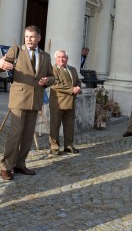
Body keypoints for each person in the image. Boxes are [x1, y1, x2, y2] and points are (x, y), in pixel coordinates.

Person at [0, 25, 54, 181]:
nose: (29, 39)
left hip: (35, 99)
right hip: (19, 98)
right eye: (27, 36)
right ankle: (6, 166)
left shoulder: (45, 56)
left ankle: (20, 164)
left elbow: (52, 76)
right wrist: (1, 65)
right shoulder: (16, 50)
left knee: (28, 134)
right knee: (15, 133)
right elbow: (3, 64)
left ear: (39, 38)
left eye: (32, 36)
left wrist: (47, 81)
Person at [49, 50, 82, 155]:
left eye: (63, 57)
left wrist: (78, 87)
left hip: (71, 102)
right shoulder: (52, 70)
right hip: (58, 102)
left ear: (67, 58)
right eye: (59, 57)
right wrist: (73, 89)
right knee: (55, 126)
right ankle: (54, 147)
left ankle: (68, 146)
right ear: (55, 58)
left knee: (69, 126)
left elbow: (78, 81)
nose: (61, 59)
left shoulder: (72, 69)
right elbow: (56, 84)